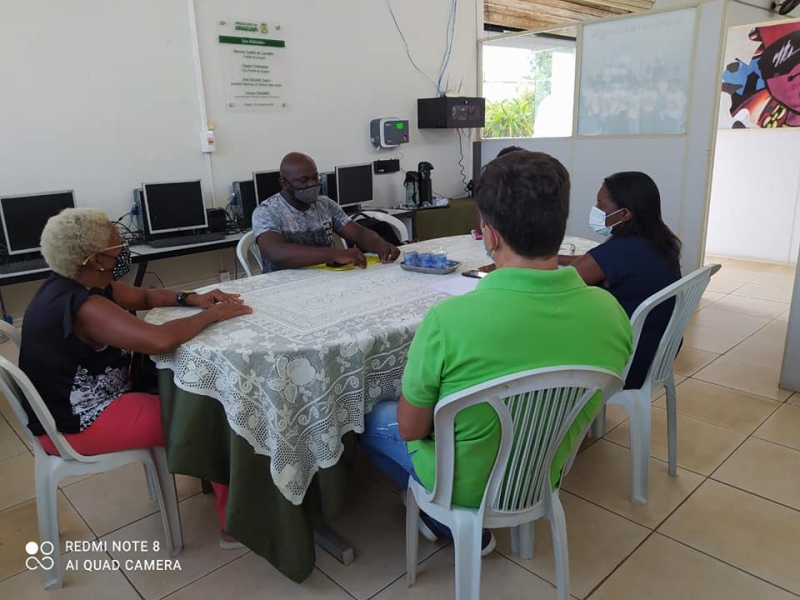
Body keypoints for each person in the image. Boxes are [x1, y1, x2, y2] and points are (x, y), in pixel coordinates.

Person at [361, 151, 633, 553]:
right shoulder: (612, 313)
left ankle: (438, 513)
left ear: (489, 236)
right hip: (544, 469)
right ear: (560, 226)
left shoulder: (447, 321)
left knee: (370, 417)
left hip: (462, 482)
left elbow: (410, 430)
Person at [18, 208, 253, 548]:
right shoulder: (84, 307)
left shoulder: (79, 283)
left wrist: (192, 299)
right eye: (116, 246)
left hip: (88, 400)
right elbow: (159, 340)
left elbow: (143, 296)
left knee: (196, 389)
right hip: (79, 423)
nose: (123, 248)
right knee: (212, 414)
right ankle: (234, 523)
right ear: (95, 259)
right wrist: (215, 315)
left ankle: (215, 476)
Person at [559, 171, 682, 389]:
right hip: (658, 350)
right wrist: (556, 256)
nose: (596, 211)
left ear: (625, 214)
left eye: (601, 206)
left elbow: (560, 281)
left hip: (627, 360)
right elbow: (592, 262)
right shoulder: (658, 241)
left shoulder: (621, 250)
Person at [252, 152, 400, 272]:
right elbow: (276, 252)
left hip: (327, 278)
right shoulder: (267, 211)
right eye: (303, 180)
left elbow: (358, 233)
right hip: (283, 285)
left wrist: (379, 244)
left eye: (315, 177)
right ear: (284, 182)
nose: (312, 184)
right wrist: (336, 254)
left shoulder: (325, 204)